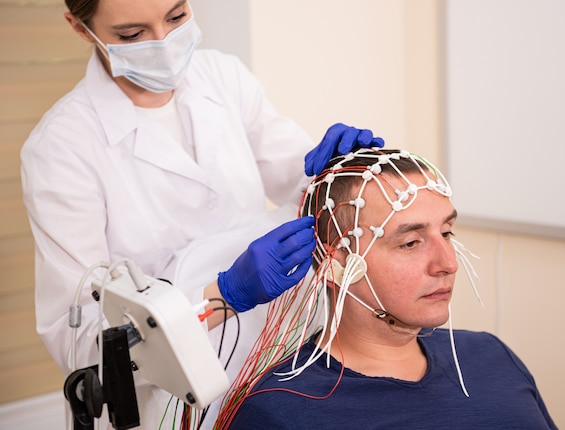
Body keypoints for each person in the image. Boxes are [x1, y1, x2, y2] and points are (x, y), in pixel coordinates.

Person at [19, 0, 383, 428]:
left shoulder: (222, 77)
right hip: (168, 402)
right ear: (82, 29)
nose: (163, 44)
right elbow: (82, 344)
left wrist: (343, 168)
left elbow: (298, 179)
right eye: (132, 35)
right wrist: (221, 297)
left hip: (278, 365)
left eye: (176, 17)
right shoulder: (61, 148)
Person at [219, 148, 558, 429]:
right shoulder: (279, 411)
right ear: (335, 262)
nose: (448, 264)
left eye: (447, 232)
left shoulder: (491, 356)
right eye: (410, 242)